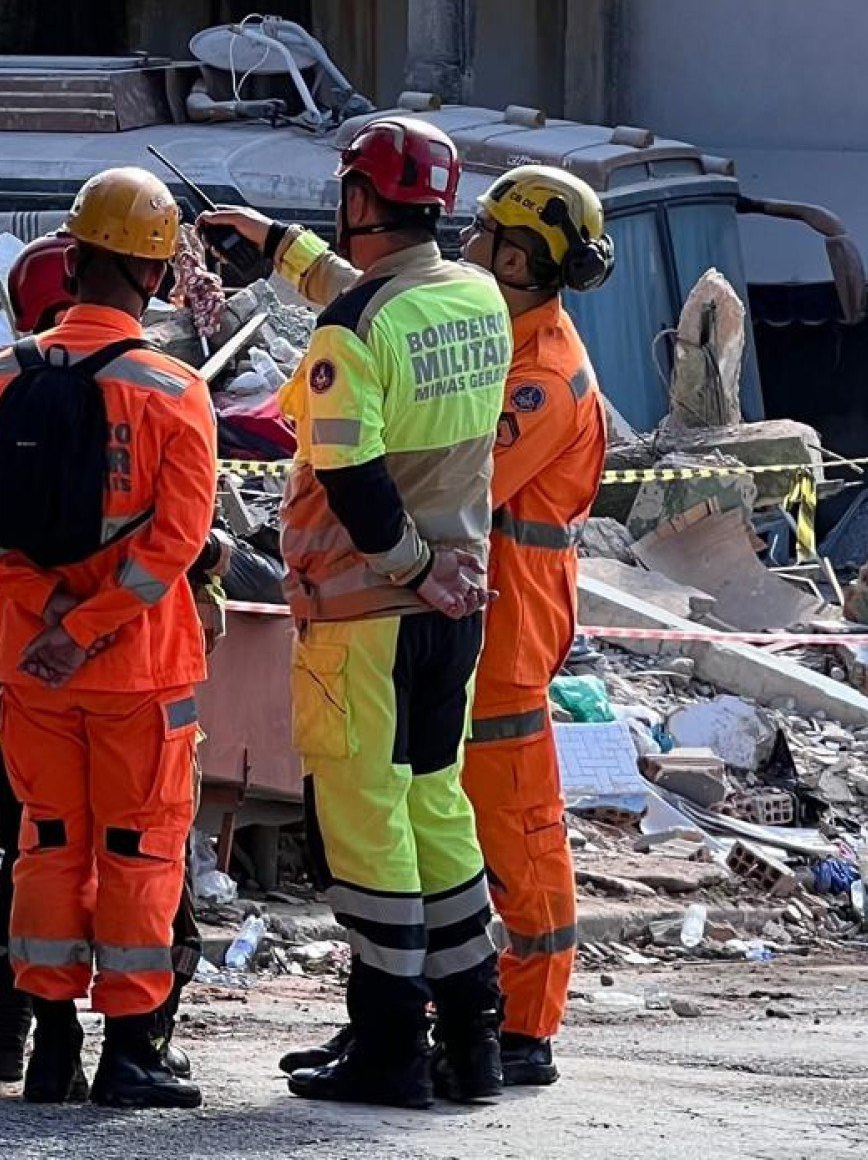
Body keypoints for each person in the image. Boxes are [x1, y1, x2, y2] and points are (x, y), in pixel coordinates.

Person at [198, 115, 513, 1110]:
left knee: (369, 825)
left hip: (367, 614)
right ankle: (473, 1040)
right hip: (454, 608)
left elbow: (348, 470)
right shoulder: (474, 297)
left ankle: (389, 1049)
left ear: (362, 200)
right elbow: (377, 300)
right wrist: (283, 250)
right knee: (435, 806)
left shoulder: (354, 331)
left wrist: (409, 564)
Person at [0, 171, 217, 1110]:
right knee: (138, 851)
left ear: (74, 255)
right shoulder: (175, 389)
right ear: (153, 268)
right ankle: (132, 1049)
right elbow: (177, 543)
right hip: (139, 673)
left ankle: (50, 1044)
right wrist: (92, 625)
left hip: (33, 669)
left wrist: (43, 614)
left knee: (49, 846)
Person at [456, 164, 613, 1089]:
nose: (466, 245)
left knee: (517, 827)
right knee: (461, 829)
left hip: (510, 631)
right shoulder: (504, 341)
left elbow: (466, 480)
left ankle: (525, 1025)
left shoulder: (544, 378)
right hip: (480, 618)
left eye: (482, 234)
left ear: (518, 257)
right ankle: (473, 1012)